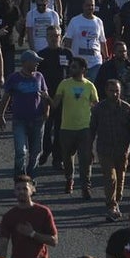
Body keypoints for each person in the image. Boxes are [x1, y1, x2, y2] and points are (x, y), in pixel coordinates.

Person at [0, 51, 53, 181]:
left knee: (35, 152)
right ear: (25, 62)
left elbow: (45, 96)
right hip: (20, 120)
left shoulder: (39, 77)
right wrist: (1, 115)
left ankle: (31, 179)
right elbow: (5, 98)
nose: (37, 64)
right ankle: (20, 179)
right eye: (35, 61)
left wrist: (47, 111)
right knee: (21, 152)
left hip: (37, 120)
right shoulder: (14, 78)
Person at [88, 78, 130, 220]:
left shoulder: (127, 109)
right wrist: (89, 149)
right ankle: (111, 206)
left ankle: (117, 200)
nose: (114, 94)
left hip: (122, 150)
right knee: (110, 178)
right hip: (104, 149)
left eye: (117, 91)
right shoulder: (98, 109)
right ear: (106, 91)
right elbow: (92, 130)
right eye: (111, 91)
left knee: (120, 178)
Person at [53, 57, 99, 197]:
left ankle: (86, 186)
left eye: (74, 67)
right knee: (67, 158)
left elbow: (96, 105)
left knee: (85, 159)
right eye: (71, 67)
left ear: (83, 69)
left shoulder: (90, 86)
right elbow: (55, 104)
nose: (71, 69)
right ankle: (69, 178)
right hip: (66, 127)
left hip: (84, 128)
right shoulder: (64, 84)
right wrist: (47, 100)